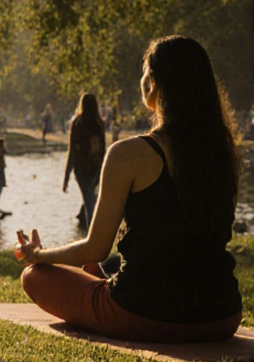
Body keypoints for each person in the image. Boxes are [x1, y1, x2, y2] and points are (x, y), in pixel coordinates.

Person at [15, 35, 243, 342]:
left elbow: (95, 246)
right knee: (98, 267)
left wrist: (40, 255)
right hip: (222, 314)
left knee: (35, 277)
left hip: (143, 312)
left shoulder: (129, 153)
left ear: (152, 82)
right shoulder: (223, 153)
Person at [65, 93, 107, 231]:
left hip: (82, 169)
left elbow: (72, 151)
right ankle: (96, 235)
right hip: (97, 168)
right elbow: (103, 150)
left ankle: (92, 237)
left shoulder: (77, 123)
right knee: (91, 201)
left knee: (90, 203)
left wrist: (66, 176)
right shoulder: (99, 124)